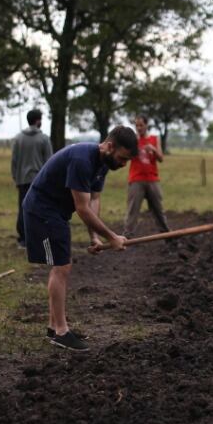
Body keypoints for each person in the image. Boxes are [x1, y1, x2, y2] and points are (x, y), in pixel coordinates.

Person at [22, 126, 138, 351]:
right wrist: (113, 237)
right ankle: (61, 332)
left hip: (56, 213)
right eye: (123, 159)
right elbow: (82, 209)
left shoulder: (103, 163)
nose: (124, 165)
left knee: (62, 266)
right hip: (42, 210)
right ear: (110, 146)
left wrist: (95, 237)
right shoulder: (82, 159)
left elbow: (94, 201)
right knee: (61, 267)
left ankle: (54, 326)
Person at [123, 114, 171, 238]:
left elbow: (161, 158)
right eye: (136, 125)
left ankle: (166, 235)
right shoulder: (133, 140)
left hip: (152, 179)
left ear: (146, 125)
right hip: (136, 179)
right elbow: (125, 158)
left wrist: (153, 149)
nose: (139, 128)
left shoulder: (154, 139)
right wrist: (133, 152)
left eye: (141, 125)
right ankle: (127, 237)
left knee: (158, 210)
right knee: (133, 210)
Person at [10, 109, 52, 244]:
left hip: (22, 179)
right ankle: (37, 237)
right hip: (39, 180)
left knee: (23, 208)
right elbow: (49, 162)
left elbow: (14, 161)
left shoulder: (18, 138)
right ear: (38, 120)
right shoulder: (44, 139)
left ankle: (23, 238)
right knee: (38, 209)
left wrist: (16, 178)